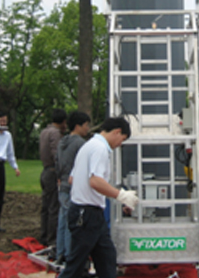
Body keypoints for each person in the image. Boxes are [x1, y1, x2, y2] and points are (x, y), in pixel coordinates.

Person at [58, 117, 139, 278]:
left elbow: (72, 179)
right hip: (87, 214)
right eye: (122, 139)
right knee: (76, 265)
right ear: (117, 132)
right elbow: (95, 181)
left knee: (106, 257)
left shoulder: (88, 146)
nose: (120, 144)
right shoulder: (100, 149)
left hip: (88, 213)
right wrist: (121, 195)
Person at [55, 111, 91, 265]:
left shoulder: (62, 142)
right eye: (86, 125)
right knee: (73, 222)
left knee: (62, 220)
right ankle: (70, 256)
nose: (88, 128)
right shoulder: (80, 144)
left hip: (62, 184)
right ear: (78, 126)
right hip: (73, 186)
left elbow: (57, 162)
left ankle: (60, 253)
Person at [39, 108, 67, 247]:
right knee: (54, 208)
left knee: (46, 206)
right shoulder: (55, 134)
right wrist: (61, 172)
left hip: (45, 171)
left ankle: (43, 236)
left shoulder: (44, 131)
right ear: (63, 121)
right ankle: (52, 239)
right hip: (52, 172)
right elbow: (57, 155)